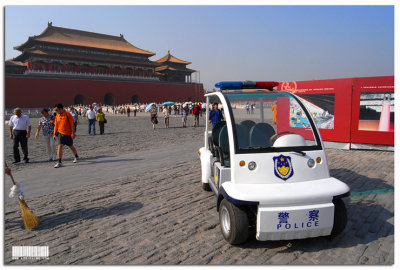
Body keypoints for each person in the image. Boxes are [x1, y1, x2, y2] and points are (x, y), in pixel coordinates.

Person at [53, 103, 79, 168]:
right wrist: (54, 134)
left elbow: (72, 124)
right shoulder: (57, 116)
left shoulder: (67, 114)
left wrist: (73, 133)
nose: (56, 112)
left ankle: (76, 156)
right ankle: (59, 162)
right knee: (60, 146)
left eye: (57, 110)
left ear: (61, 109)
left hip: (68, 134)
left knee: (71, 146)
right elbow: (56, 125)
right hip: (60, 134)